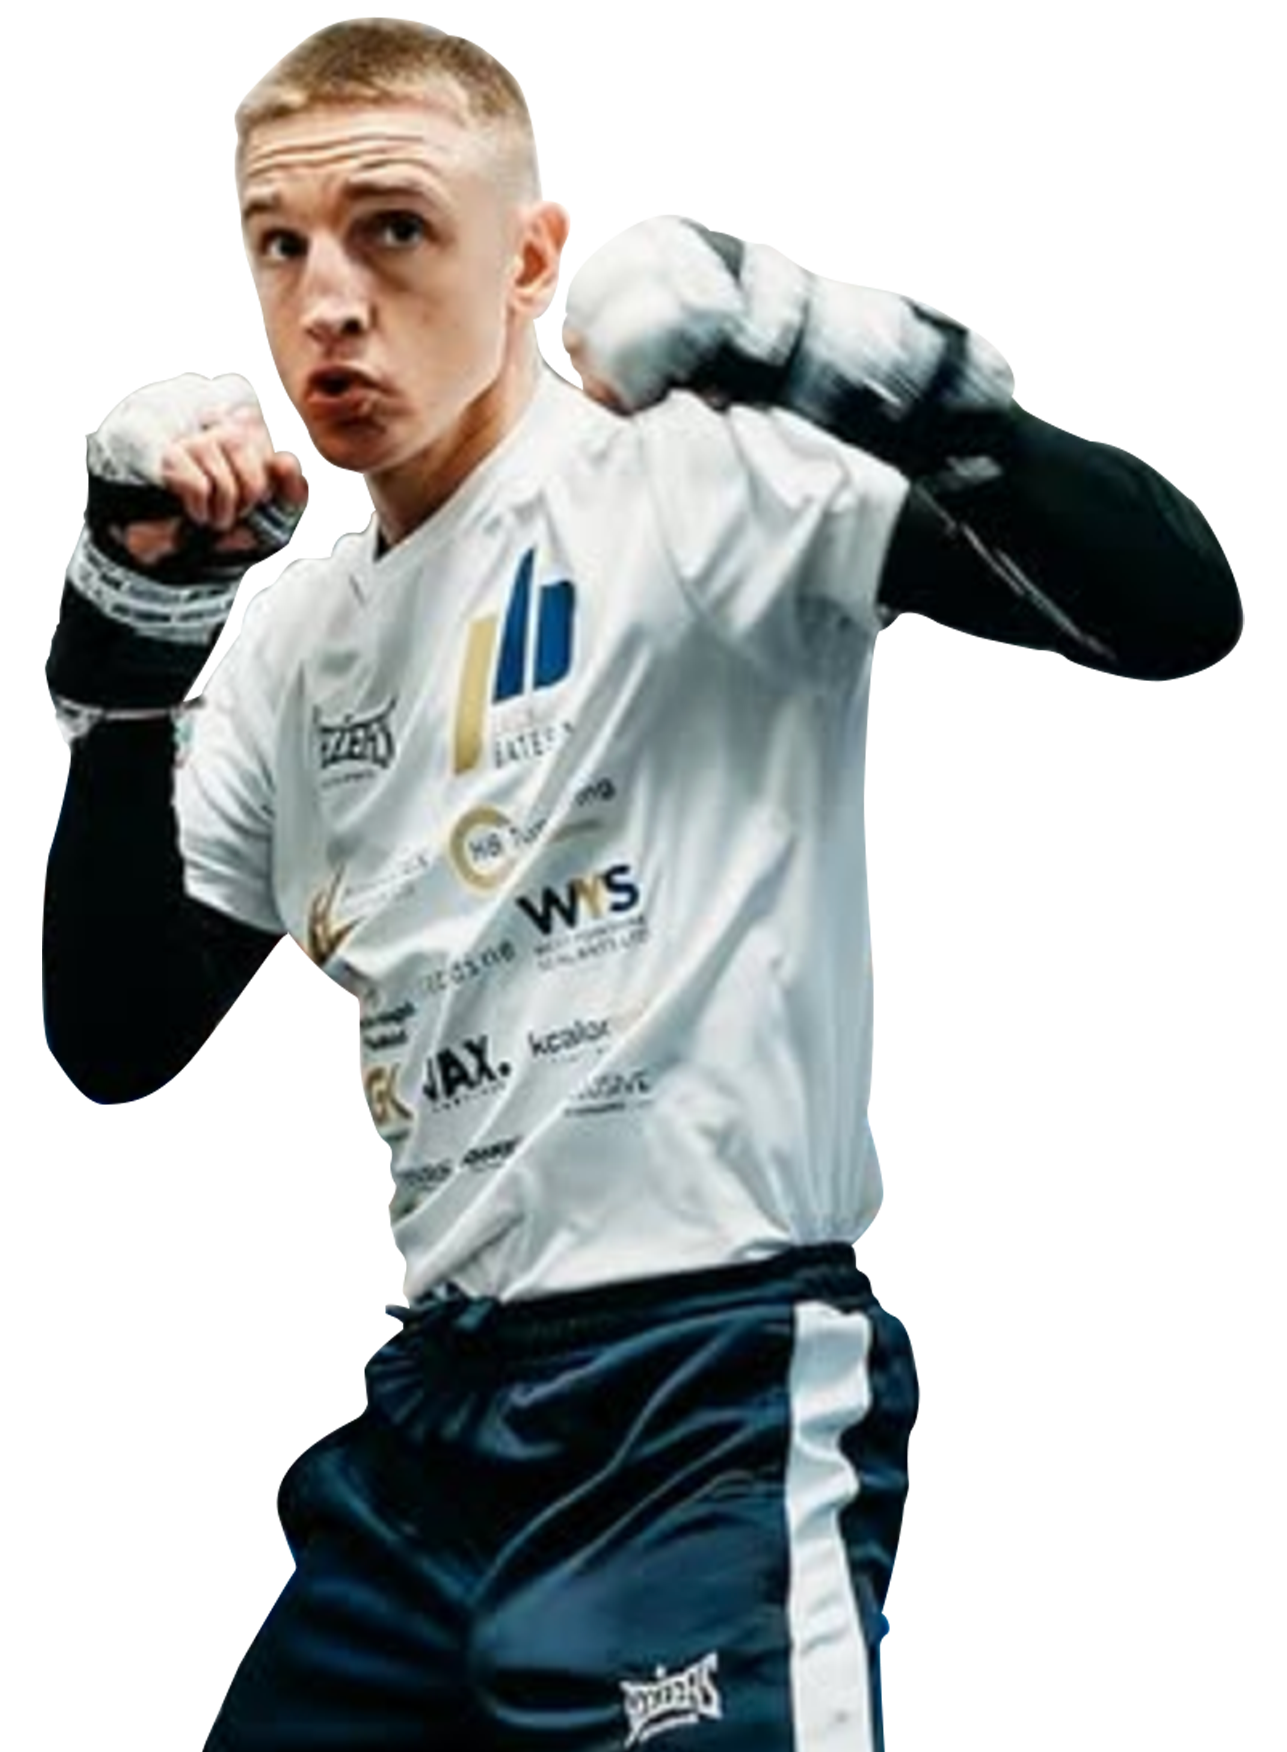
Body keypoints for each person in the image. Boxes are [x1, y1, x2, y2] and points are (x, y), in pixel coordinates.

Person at [42, 19, 1242, 1752]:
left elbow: (1175, 609)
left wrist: (826, 350)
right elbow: (115, 1030)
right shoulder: (294, 640)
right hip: (429, 1423)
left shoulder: (699, 476)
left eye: (393, 229)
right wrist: (135, 640)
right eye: (280, 243)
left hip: (704, 1397)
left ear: (529, 257)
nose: (325, 301)